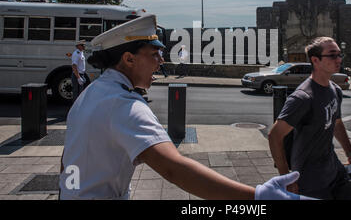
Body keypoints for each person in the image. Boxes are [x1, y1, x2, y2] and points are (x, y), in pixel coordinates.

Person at [59, 14, 309, 200]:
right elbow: (173, 168)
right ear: (128, 59)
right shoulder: (124, 105)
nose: (161, 61)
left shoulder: (91, 93)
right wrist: (255, 197)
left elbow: (67, 160)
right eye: (154, 54)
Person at [268, 37, 351, 200]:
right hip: (309, 179)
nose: (339, 59)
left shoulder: (335, 90)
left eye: (340, 54)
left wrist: (350, 153)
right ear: (315, 60)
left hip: (334, 169)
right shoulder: (303, 98)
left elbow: (337, 124)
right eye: (332, 55)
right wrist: (286, 179)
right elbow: (274, 135)